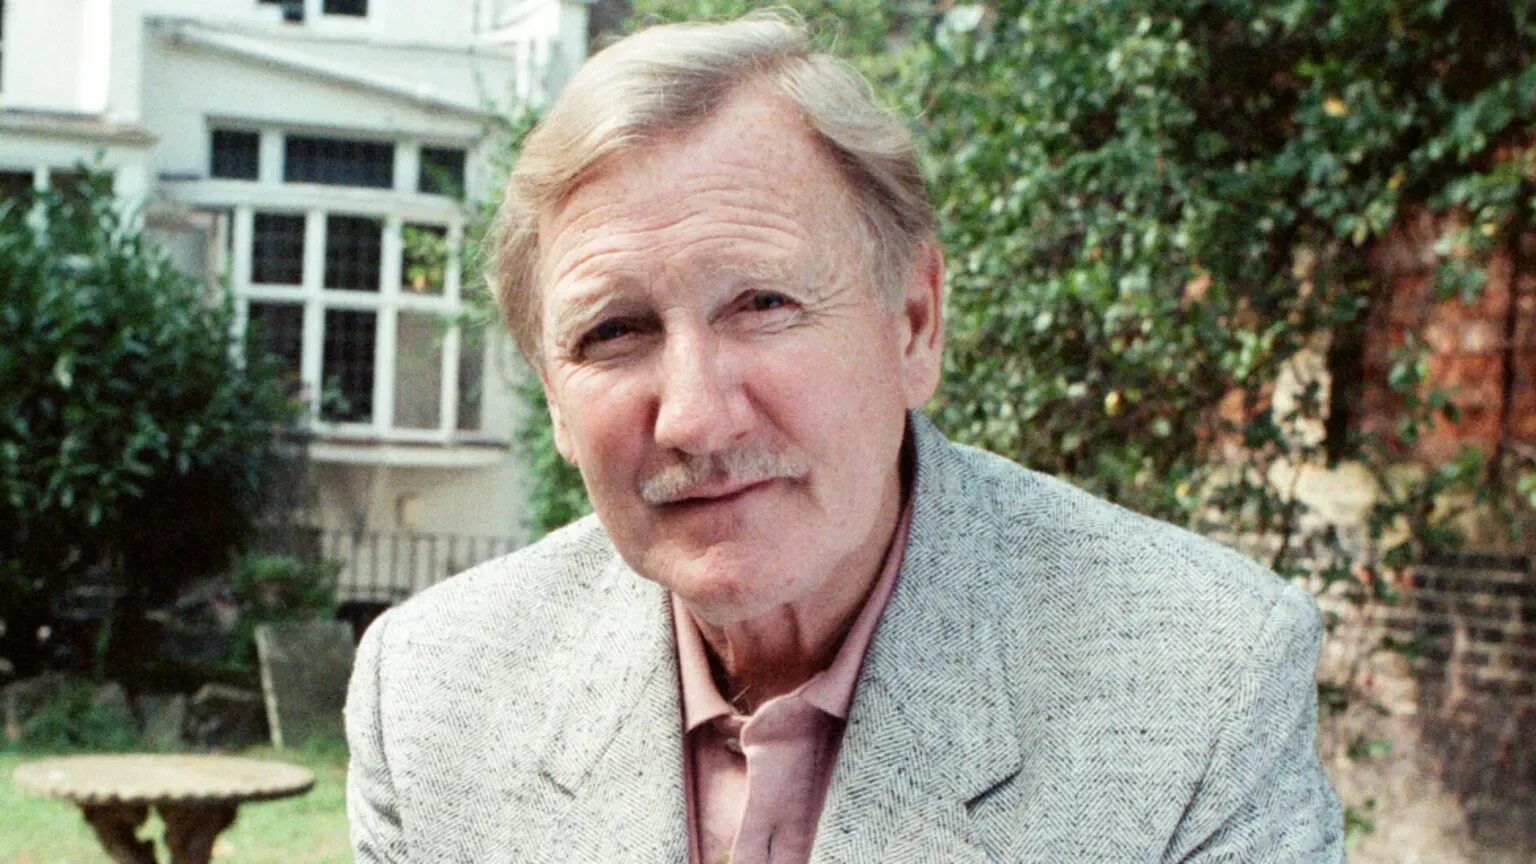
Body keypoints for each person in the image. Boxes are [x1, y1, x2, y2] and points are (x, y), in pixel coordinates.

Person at [345, 13, 1345, 863]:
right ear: (555, 402)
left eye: (763, 303)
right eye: (614, 332)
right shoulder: (434, 696)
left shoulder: (1201, 680)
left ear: (913, 324)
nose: (694, 417)